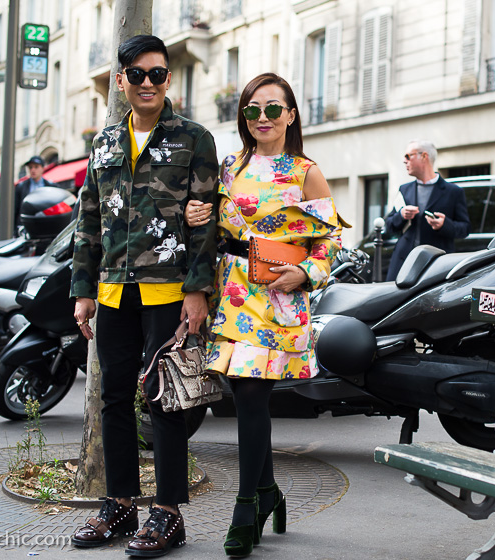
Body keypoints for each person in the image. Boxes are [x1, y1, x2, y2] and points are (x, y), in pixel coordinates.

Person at [69, 35, 218, 557]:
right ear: (121, 80)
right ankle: (120, 504)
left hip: (168, 291)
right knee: (114, 399)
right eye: (138, 74)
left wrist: (198, 292)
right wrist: (83, 291)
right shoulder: (106, 142)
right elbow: (89, 222)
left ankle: (169, 513)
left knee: (165, 399)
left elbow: (206, 223)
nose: (148, 83)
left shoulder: (194, 139)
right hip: (112, 292)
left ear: (168, 79)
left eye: (157, 74)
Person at [184, 73, 343, 557]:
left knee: (252, 397)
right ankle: (269, 491)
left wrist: (306, 274)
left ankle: (245, 505)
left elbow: (331, 239)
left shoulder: (305, 171)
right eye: (253, 109)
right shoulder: (228, 167)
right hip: (229, 293)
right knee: (244, 398)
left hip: (277, 295)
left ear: (291, 115)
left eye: (274, 109)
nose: (264, 118)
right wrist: (198, 215)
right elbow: (212, 225)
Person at [384, 139, 471, 281]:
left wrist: (444, 225)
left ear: (424, 156)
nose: (404, 161)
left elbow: (465, 228)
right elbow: (389, 225)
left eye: (408, 156)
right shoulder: (404, 190)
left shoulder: (453, 192)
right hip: (403, 262)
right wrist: (401, 215)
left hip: (435, 265)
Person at [14, 156, 57, 232]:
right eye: (30, 167)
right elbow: (16, 209)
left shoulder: (51, 186)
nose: (33, 170)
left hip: (45, 226)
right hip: (25, 227)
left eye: (36, 167)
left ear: (43, 168)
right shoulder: (21, 187)